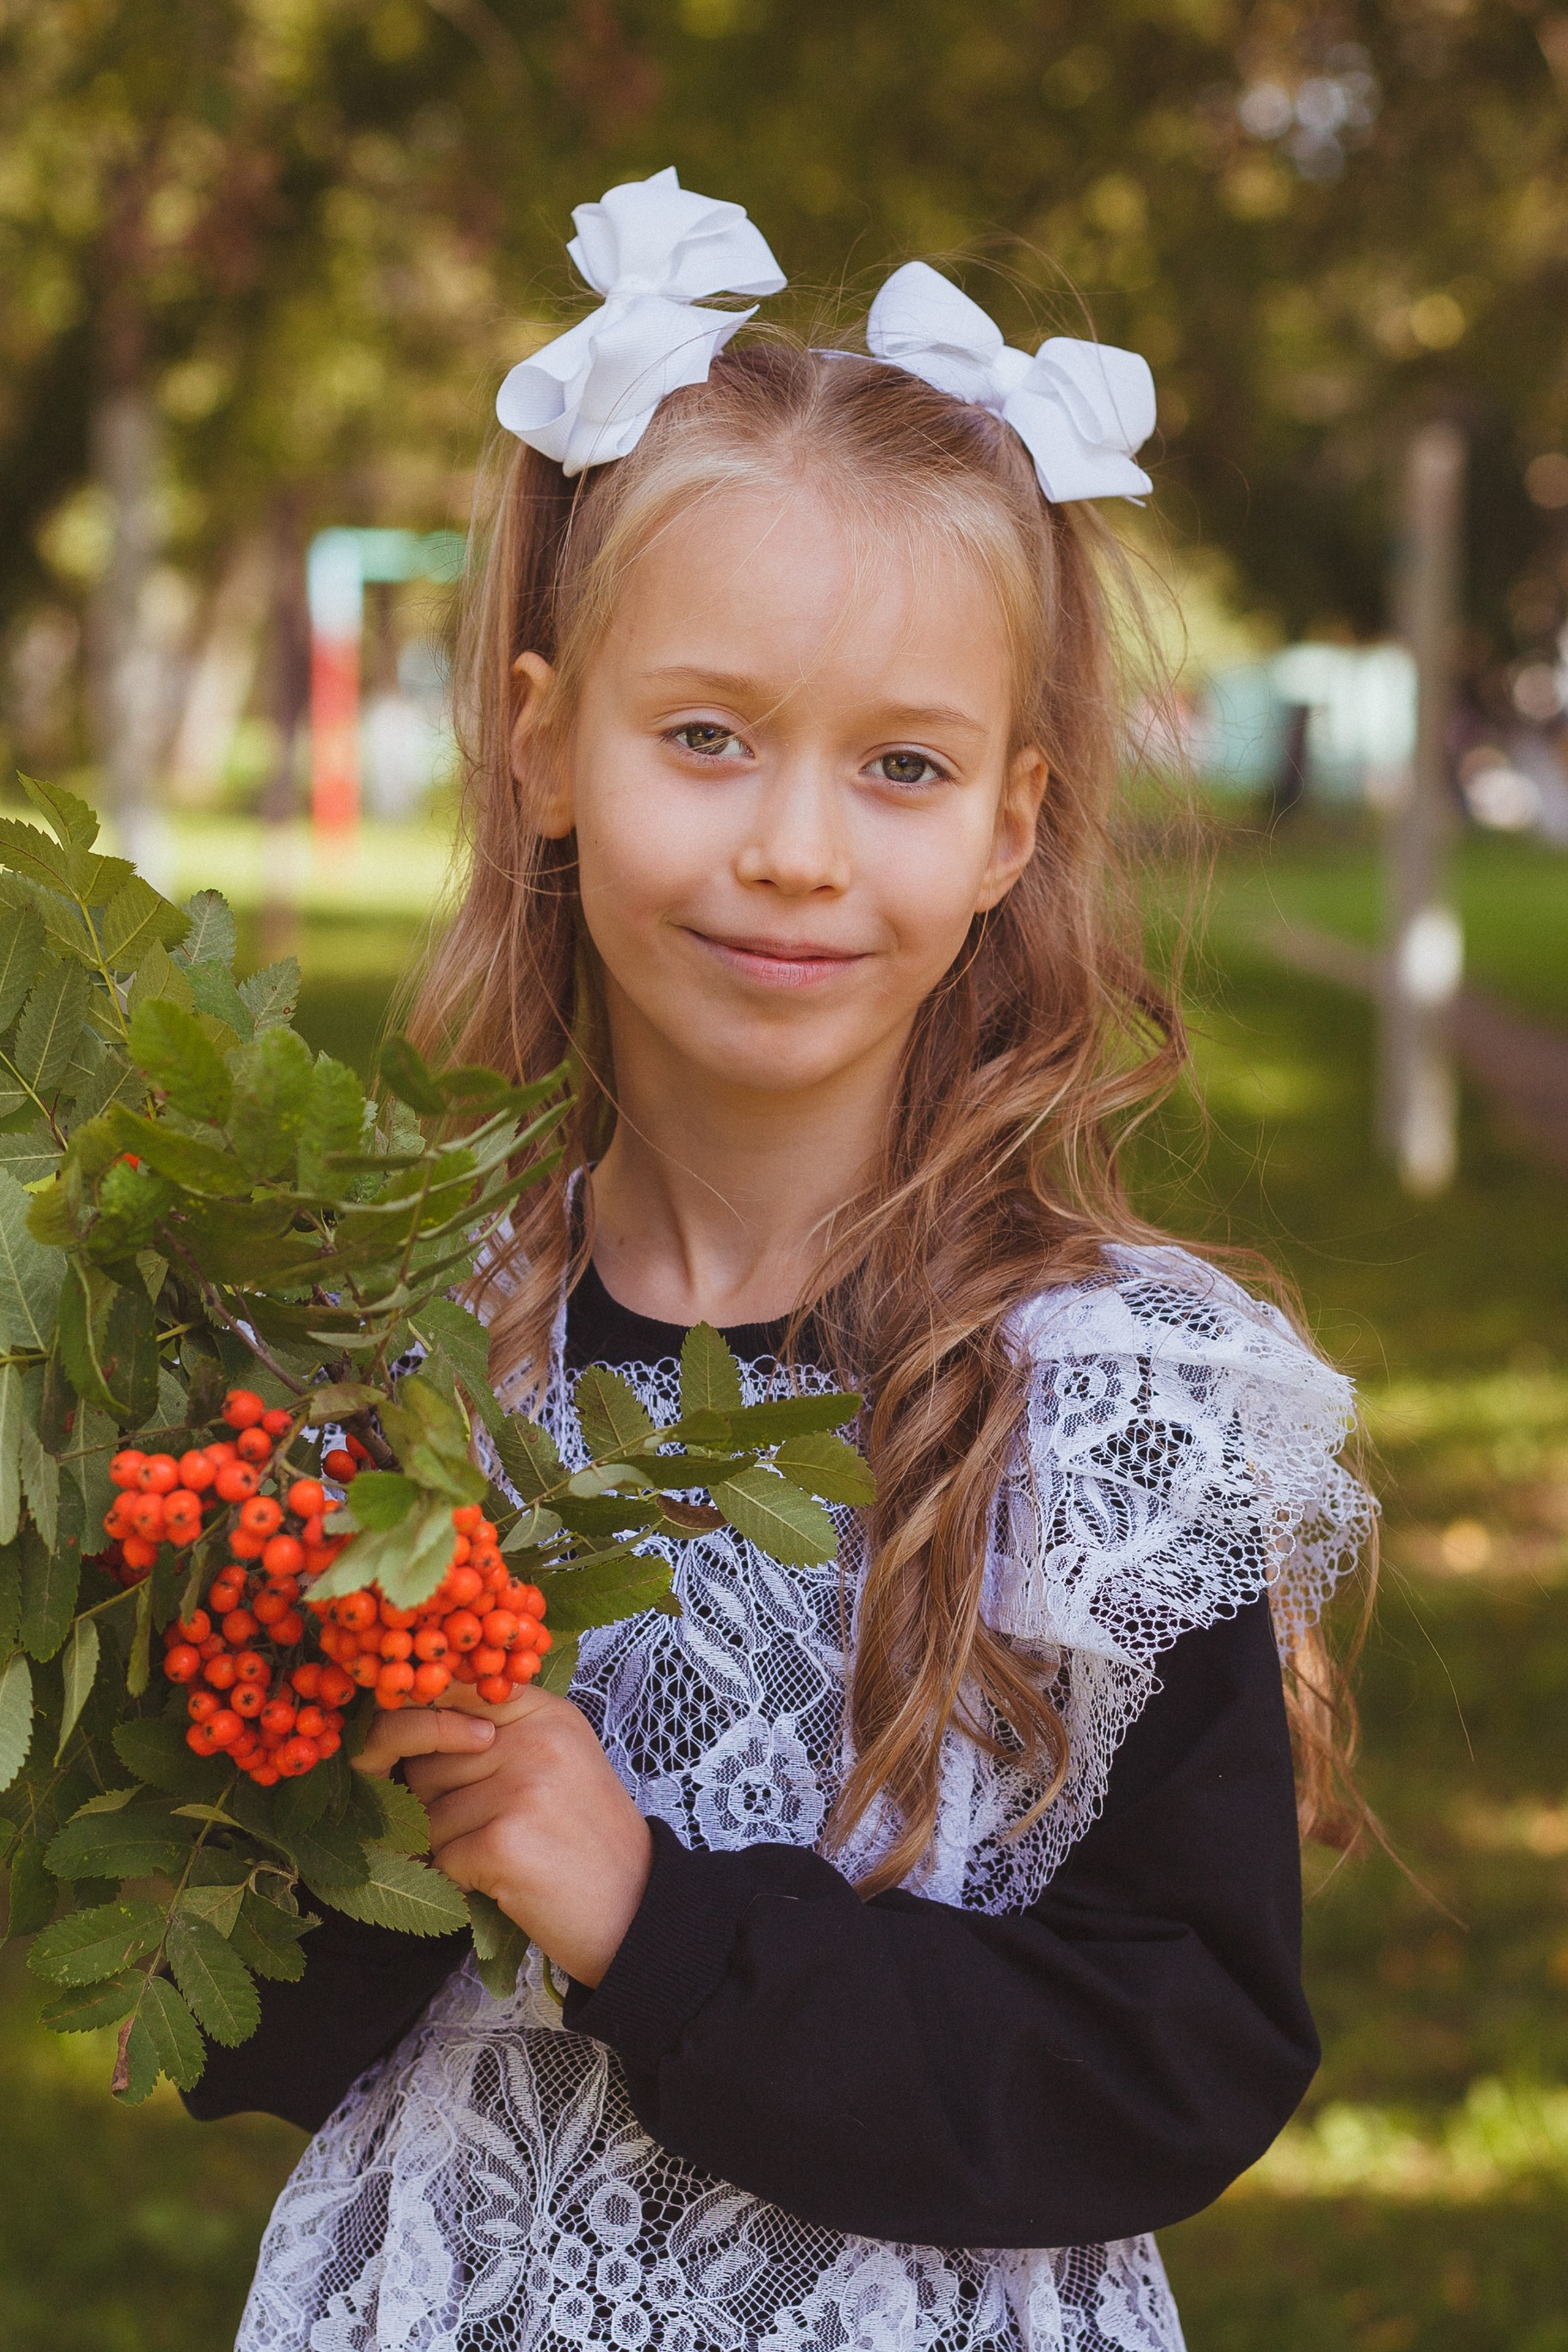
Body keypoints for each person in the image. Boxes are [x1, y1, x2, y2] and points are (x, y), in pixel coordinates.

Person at [195, 169, 1374, 2352]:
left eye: (902, 767)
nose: (796, 848)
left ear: (1014, 822)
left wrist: (648, 1914)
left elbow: (1178, 2053)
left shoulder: (1120, 1405)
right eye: (708, 734)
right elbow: (225, 2028)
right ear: (545, 743)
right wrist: (288, 1760)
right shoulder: (384, 1345)